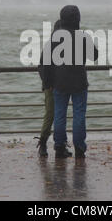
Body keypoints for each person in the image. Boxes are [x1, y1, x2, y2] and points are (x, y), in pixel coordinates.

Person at [50, 5, 98, 159]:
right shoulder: (82, 36)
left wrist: (48, 80)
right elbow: (94, 56)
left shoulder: (56, 37)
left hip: (59, 81)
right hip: (79, 81)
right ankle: (79, 147)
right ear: (78, 18)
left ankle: (59, 146)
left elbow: (47, 60)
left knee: (59, 115)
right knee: (79, 114)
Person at [35, 20, 63, 158]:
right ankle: (43, 142)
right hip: (51, 86)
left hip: (60, 85)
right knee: (51, 114)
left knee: (58, 116)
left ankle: (60, 145)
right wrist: (48, 84)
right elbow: (42, 66)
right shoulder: (51, 45)